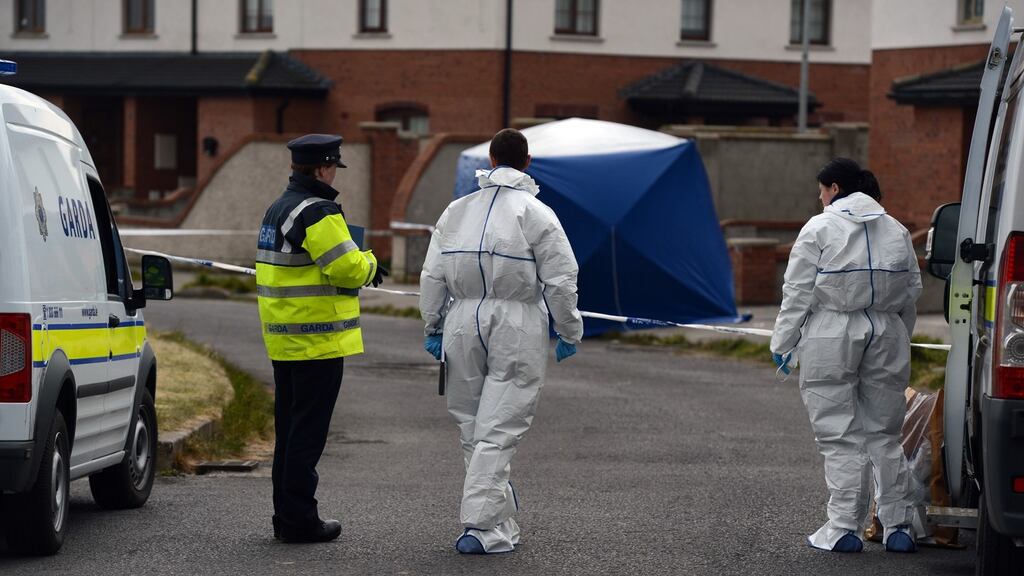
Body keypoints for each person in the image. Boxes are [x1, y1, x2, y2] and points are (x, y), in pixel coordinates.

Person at [419, 128, 583, 554]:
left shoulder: (456, 211)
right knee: (500, 424)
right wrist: (569, 331)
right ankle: (481, 525)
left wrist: (433, 326)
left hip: (460, 320)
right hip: (516, 320)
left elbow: (432, 275)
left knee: (472, 423)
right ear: (527, 163)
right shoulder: (537, 213)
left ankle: (497, 513)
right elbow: (561, 280)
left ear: (490, 160)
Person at [771, 157, 922, 554]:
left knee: (839, 435)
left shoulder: (819, 227)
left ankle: (843, 528)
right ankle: (899, 525)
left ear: (834, 188)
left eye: (821, 190)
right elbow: (911, 292)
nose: (819, 198)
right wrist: (899, 337)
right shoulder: (897, 229)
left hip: (832, 332)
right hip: (887, 331)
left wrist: (783, 343)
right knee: (885, 434)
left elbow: (797, 293)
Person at [255, 134, 387, 543]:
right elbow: (346, 267)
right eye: (334, 168)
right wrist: (370, 264)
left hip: (284, 340)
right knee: (307, 438)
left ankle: (285, 517)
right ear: (323, 168)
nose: (335, 175)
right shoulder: (318, 210)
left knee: (289, 434)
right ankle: (300, 521)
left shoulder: (278, 208)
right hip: (317, 341)